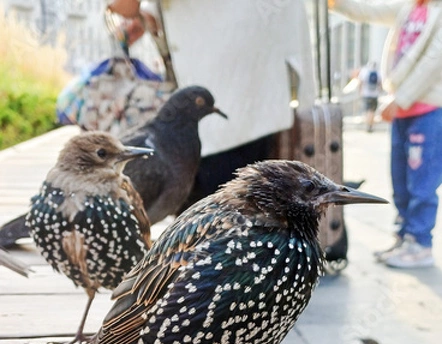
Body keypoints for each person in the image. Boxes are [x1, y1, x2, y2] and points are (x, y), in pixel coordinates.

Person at [108, 0, 316, 201]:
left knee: (221, 212)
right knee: (250, 207)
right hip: (250, 70)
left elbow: (123, 5)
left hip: (225, 75)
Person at [329, 0, 442, 268]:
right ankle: (403, 237)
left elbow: (434, 60)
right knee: (401, 181)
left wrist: (399, 98)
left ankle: (419, 243)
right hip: (404, 109)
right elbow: (369, 10)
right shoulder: (411, 7)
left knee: (421, 182)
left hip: (428, 108)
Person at [358, 60, 382, 132]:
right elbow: (380, 84)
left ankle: (369, 125)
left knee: (368, 110)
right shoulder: (378, 72)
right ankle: (371, 125)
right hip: (375, 95)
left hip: (366, 94)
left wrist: (360, 91)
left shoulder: (364, 71)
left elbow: (360, 82)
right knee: (372, 111)